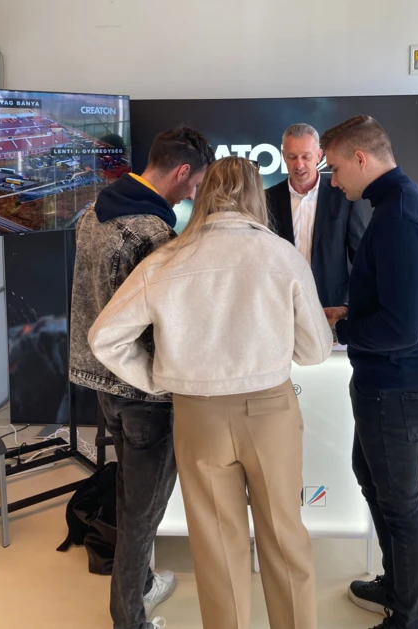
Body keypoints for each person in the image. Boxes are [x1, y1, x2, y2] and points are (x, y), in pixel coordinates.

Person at [88, 156, 334, 629]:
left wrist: (157, 377)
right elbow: (315, 351)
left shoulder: (168, 258)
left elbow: (104, 337)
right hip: (269, 411)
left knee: (218, 546)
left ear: (203, 195)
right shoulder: (280, 254)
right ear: (255, 195)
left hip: (197, 416)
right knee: (285, 537)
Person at [69, 126, 215, 629]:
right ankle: (129, 617)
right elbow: (165, 326)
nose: (193, 194)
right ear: (182, 171)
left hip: (103, 382)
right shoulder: (154, 235)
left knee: (130, 492)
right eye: (194, 184)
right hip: (146, 393)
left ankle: (143, 585)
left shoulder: (93, 212)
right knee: (143, 511)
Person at [321, 116, 418, 629]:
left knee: (400, 505)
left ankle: (407, 619)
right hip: (387, 381)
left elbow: (400, 328)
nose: (333, 181)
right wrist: (351, 314)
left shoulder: (400, 217)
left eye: (334, 168)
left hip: (396, 384)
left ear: (361, 158)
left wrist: (344, 330)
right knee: (372, 479)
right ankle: (395, 586)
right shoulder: (397, 205)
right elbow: (398, 306)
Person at [265, 123, 366, 309]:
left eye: (306, 157)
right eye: (292, 157)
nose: (299, 165)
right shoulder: (267, 199)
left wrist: (352, 306)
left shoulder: (344, 197)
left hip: (331, 308)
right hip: (281, 306)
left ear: (319, 156)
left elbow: (361, 256)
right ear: (283, 156)